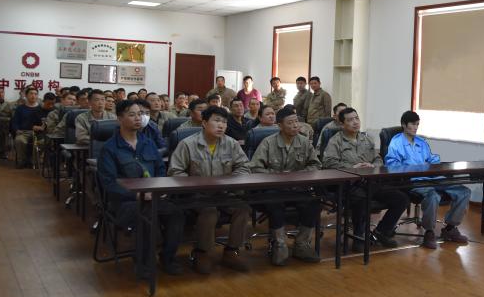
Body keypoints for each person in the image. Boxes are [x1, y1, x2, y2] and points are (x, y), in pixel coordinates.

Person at [97, 99, 185, 276]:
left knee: (176, 213)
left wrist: (159, 189)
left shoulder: (148, 143)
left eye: (140, 114)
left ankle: (167, 258)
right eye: (132, 114)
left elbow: (160, 169)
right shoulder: (110, 148)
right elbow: (109, 183)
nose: (138, 118)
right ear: (119, 119)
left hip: (152, 197)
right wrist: (136, 195)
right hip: (124, 202)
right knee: (145, 214)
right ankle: (143, 262)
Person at [168, 106, 252, 274]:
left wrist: (231, 181)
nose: (221, 125)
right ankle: (202, 252)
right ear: (204, 123)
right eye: (216, 121)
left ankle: (231, 251)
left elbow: (244, 167)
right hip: (196, 195)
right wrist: (195, 185)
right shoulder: (188, 144)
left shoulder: (231, 143)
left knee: (243, 209)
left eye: (224, 122)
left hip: (224, 193)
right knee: (209, 211)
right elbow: (175, 172)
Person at [322, 107, 408, 251]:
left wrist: (372, 165)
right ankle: (359, 236)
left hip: (370, 182)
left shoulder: (366, 139)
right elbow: (328, 163)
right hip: (349, 185)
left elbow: (378, 159)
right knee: (362, 197)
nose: (355, 122)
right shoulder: (335, 141)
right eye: (350, 120)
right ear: (342, 124)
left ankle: (382, 231)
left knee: (401, 199)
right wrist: (352, 167)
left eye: (357, 118)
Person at [247, 106, 322, 266]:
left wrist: (299, 174)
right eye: (290, 123)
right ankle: (279, 245)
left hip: (297, 188)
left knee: (314, 203)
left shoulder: (304, 142)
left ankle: (302, 244)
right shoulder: (268, 142)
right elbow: (254, 167)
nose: (295, 126)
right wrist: (276, 175)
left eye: (296, 122)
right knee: (275, 204)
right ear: (280, 125)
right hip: (273, 189)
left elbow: (315, 164)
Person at [385, 110, 470, 249]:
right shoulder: (396, 143)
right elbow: (392, 165)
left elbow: (431, 159)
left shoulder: (421, 142)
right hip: (413, 180)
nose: (416, 127)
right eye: (413, 124)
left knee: (463, 191)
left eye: (417, 124)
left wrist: (436, 163)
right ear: (404, 125)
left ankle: (450, 228)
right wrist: (415, 168)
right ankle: (429, 232)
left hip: (432, 176)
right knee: (433, 196)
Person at [10, 87, 45, 168]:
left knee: (43, 142)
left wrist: (41, 127)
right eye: (31, 94)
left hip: (38, 133)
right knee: (19, 140)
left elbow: (45, 123)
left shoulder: (41, 108)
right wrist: (16, 130)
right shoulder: (20, 108)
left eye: (35, 94)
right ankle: (22, 161)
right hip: (23, 132)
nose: (33, 96)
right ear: (26, 95)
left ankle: (34, 161)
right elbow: (14, 122)